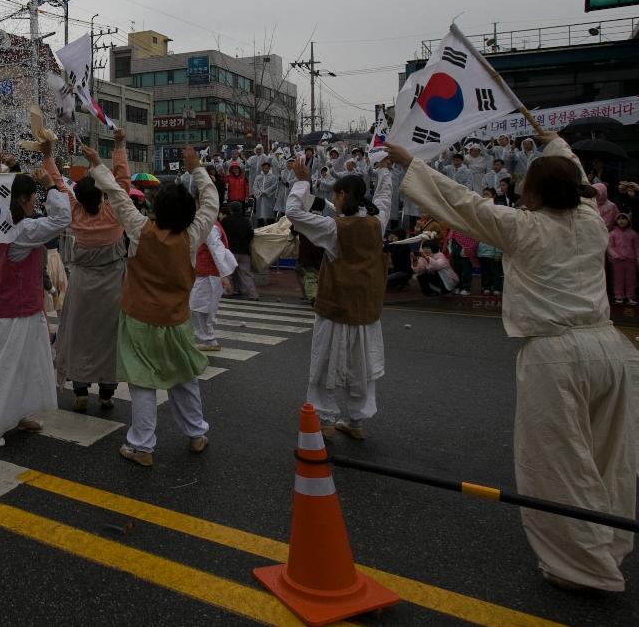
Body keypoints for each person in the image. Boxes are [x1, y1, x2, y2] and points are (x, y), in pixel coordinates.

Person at [395, 134, 639, 592]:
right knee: (611, 459)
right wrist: (559, 146)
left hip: (555, 353)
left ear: (538, 193)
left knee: (558, 465)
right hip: (610, 349)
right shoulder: (591, 222)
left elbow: (463, 204)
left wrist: (412, 163)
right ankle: (608, 546)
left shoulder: (523, 227)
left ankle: (583, 567)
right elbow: (578, 181)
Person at [82, 144, 216, 466]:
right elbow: (211, 202)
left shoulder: (141, 230)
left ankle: (142, 447)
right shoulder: (193, 235)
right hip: (176, 320)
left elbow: (117, 194)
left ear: (156, 208)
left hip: (139, 319)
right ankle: (196, 433)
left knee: (142, 382)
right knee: (183, 378)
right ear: (188, 214)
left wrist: (98, 164)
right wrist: (197, 168)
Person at [286, 155, 393, 441]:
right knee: (362, 368)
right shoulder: (377, 223)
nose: (334, 198)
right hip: (366, 312)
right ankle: (356, 422)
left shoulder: (334, 228)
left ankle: (327, 421)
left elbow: (294, 213)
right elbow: (384, 199)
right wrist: (384, 172)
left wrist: (301, 183)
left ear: (343, 195)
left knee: (325, 365)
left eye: (335, 193)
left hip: (335, 309)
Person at [0, 169, 70, 447]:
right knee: (1, 369)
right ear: (23, 199)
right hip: (14, 311)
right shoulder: (22, 231)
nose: (36, 199)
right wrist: (50, 186)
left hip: (16, 308)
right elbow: (62, 218)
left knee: (24, 365)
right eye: (33, 195)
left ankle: (17, 413)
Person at [47, 132, 129, 411]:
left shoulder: (75, 215)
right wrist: (117, 148)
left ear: (78, 199)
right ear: (102, 194)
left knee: (79, 335)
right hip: (113, 286)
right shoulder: (114, 213)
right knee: (109, 337)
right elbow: (122, 184)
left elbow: (59, 186)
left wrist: (48, 155)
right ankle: (107, 393)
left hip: (81, 283)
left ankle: (80, 390)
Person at [190, 204, 237, 350]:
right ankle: (207, 339)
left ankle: (208, 339)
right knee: (201, 308)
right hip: (207, 273)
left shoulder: (210, 227)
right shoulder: (209, 226)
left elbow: (217, 251)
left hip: (209, 274)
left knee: (199, 308)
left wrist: (224, 276)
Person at [222, 201, 258, 300]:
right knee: (246, 274)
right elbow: (251, 235)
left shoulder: (226, 221)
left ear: (231, 210)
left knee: (229, 273)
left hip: (231, 250)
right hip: (244, 251)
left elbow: (222, 235)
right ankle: (253, 295)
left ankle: (228, 292)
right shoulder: (246, 221)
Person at [606, 212, 639, 305]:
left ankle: (630, 296)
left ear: (628, 221)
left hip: (630, 260)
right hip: (617, 261)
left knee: (631, 279)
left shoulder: (634, 234)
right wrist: (615, 255)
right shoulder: (612, 234)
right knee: (618, 279)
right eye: (619, 219)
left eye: (624, 218)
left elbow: (637, 247)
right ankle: (618, 296)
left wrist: (637, 258)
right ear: (616, 221)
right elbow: (609, 246)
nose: (621, 221)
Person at [252, 161, 279, 227]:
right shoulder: (258, 177)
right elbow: (255, 186)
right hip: (260, 198)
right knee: (260, 213)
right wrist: (259, 192)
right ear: (262, 168)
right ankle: (260, 227)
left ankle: (270, 227)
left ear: (269, 168)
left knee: (269, 213)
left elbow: (274, 186)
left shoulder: (273, 177)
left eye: (266, 168)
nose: (265, 169)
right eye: (264, 168)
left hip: (269, 198)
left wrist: (266, 192)